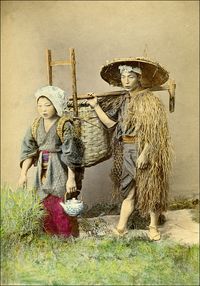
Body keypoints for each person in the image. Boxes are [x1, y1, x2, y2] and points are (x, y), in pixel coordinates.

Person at [88, 58, 172, 241]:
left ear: (139, 78)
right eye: (123, 76)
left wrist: (145, 153)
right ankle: (121, 227)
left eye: (130, 76)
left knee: (150, 188)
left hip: (145, 148)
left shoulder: (150, 101)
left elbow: (155, 132)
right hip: (127, 148)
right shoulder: (122, 101)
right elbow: (111, 124)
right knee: (129, 190)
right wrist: (95, 106)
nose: (126, 80)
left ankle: (153, 227)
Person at [18, 85, 84, 237]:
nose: (43, 109)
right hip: (42, 170)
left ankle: (66, 240)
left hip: (60, 168)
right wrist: (23, 174)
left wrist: (71, 179)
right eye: (39, 106)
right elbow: (29, 149)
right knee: (43, 205)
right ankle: (49, 240)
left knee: (60, 205)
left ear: (56, 104)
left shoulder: (64, 124)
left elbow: (71, 152)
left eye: (48, 105)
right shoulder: (35, 124)